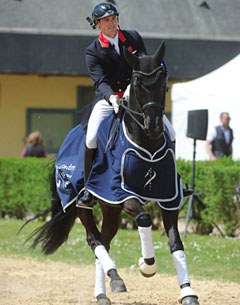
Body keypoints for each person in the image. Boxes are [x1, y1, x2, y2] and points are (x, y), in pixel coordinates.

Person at [77, 2, 187, 208]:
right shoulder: (92, 51)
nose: (112, 23)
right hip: (109, 98)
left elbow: (145, 63)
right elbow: (100, 81)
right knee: (92, 136)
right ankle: (87, 188)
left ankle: (175, 179)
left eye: (114, 19)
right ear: (98, 24)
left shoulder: (133, 37)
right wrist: (111, 97)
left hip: (138, 95)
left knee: (171, 133)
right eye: (107, 20)